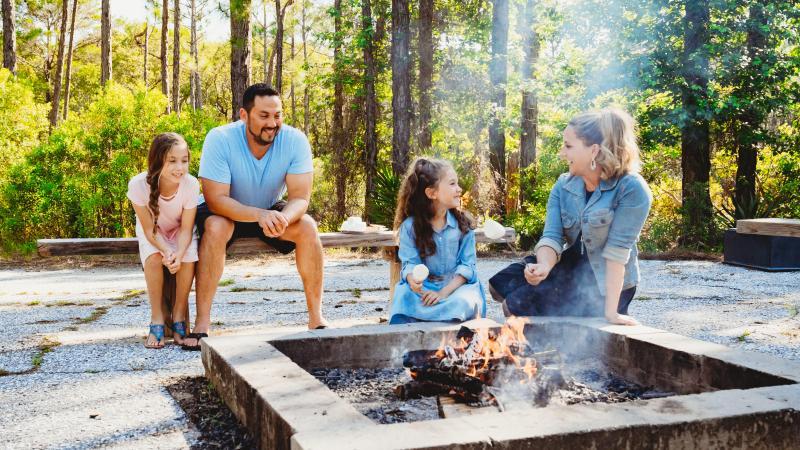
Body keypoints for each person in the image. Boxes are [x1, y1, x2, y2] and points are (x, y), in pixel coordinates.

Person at [184, 83, 328, 350]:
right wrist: (258, 215)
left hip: (268, 209)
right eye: (264, 116)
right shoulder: (220, 138)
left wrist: (283, 218)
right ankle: (202, 323)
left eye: (277, 115)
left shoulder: (295, 140)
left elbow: (300, 198)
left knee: (307, 226)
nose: (272, 123)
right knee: (215, 226)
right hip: (225, 211)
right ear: (243, 115)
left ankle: (316, 319)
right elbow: (215, 199)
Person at [489, 108, 652, 325]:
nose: (562, 153)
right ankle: (551, 303)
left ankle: (557, 334)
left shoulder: (631, 188)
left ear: (594, 151)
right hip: (573, 266)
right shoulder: (564, 185)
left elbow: (617, 253)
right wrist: (545, 267)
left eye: (568, 146)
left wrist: (611, 313)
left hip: (605, 283)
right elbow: (552, 236)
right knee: (499, 283)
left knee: (514, 304)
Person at [388, 158, 487, 324]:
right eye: (452, 184)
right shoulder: (410, 227)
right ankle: (409, 345)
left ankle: (451, 344)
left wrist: (443, 293)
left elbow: (467, 267)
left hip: (456, 288)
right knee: (403, 296)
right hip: (425, 289)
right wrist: (413, 281)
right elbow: (410, 264)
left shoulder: (463, 226)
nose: (459, 189)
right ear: (432, 193)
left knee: (463, 301)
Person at [127, 132, 199, 348]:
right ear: (158, 161)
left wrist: (177, 253)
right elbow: (150, 229)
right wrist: (166, 251)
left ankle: (179, 316)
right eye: (173, 161)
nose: (180, 167)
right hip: (153, 232)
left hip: (179, 231)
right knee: (154, 259)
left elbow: (187, 229)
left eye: (184, 161)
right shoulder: (138, 185)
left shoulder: (191, 184)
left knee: (187, 258)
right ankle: (157, 318)